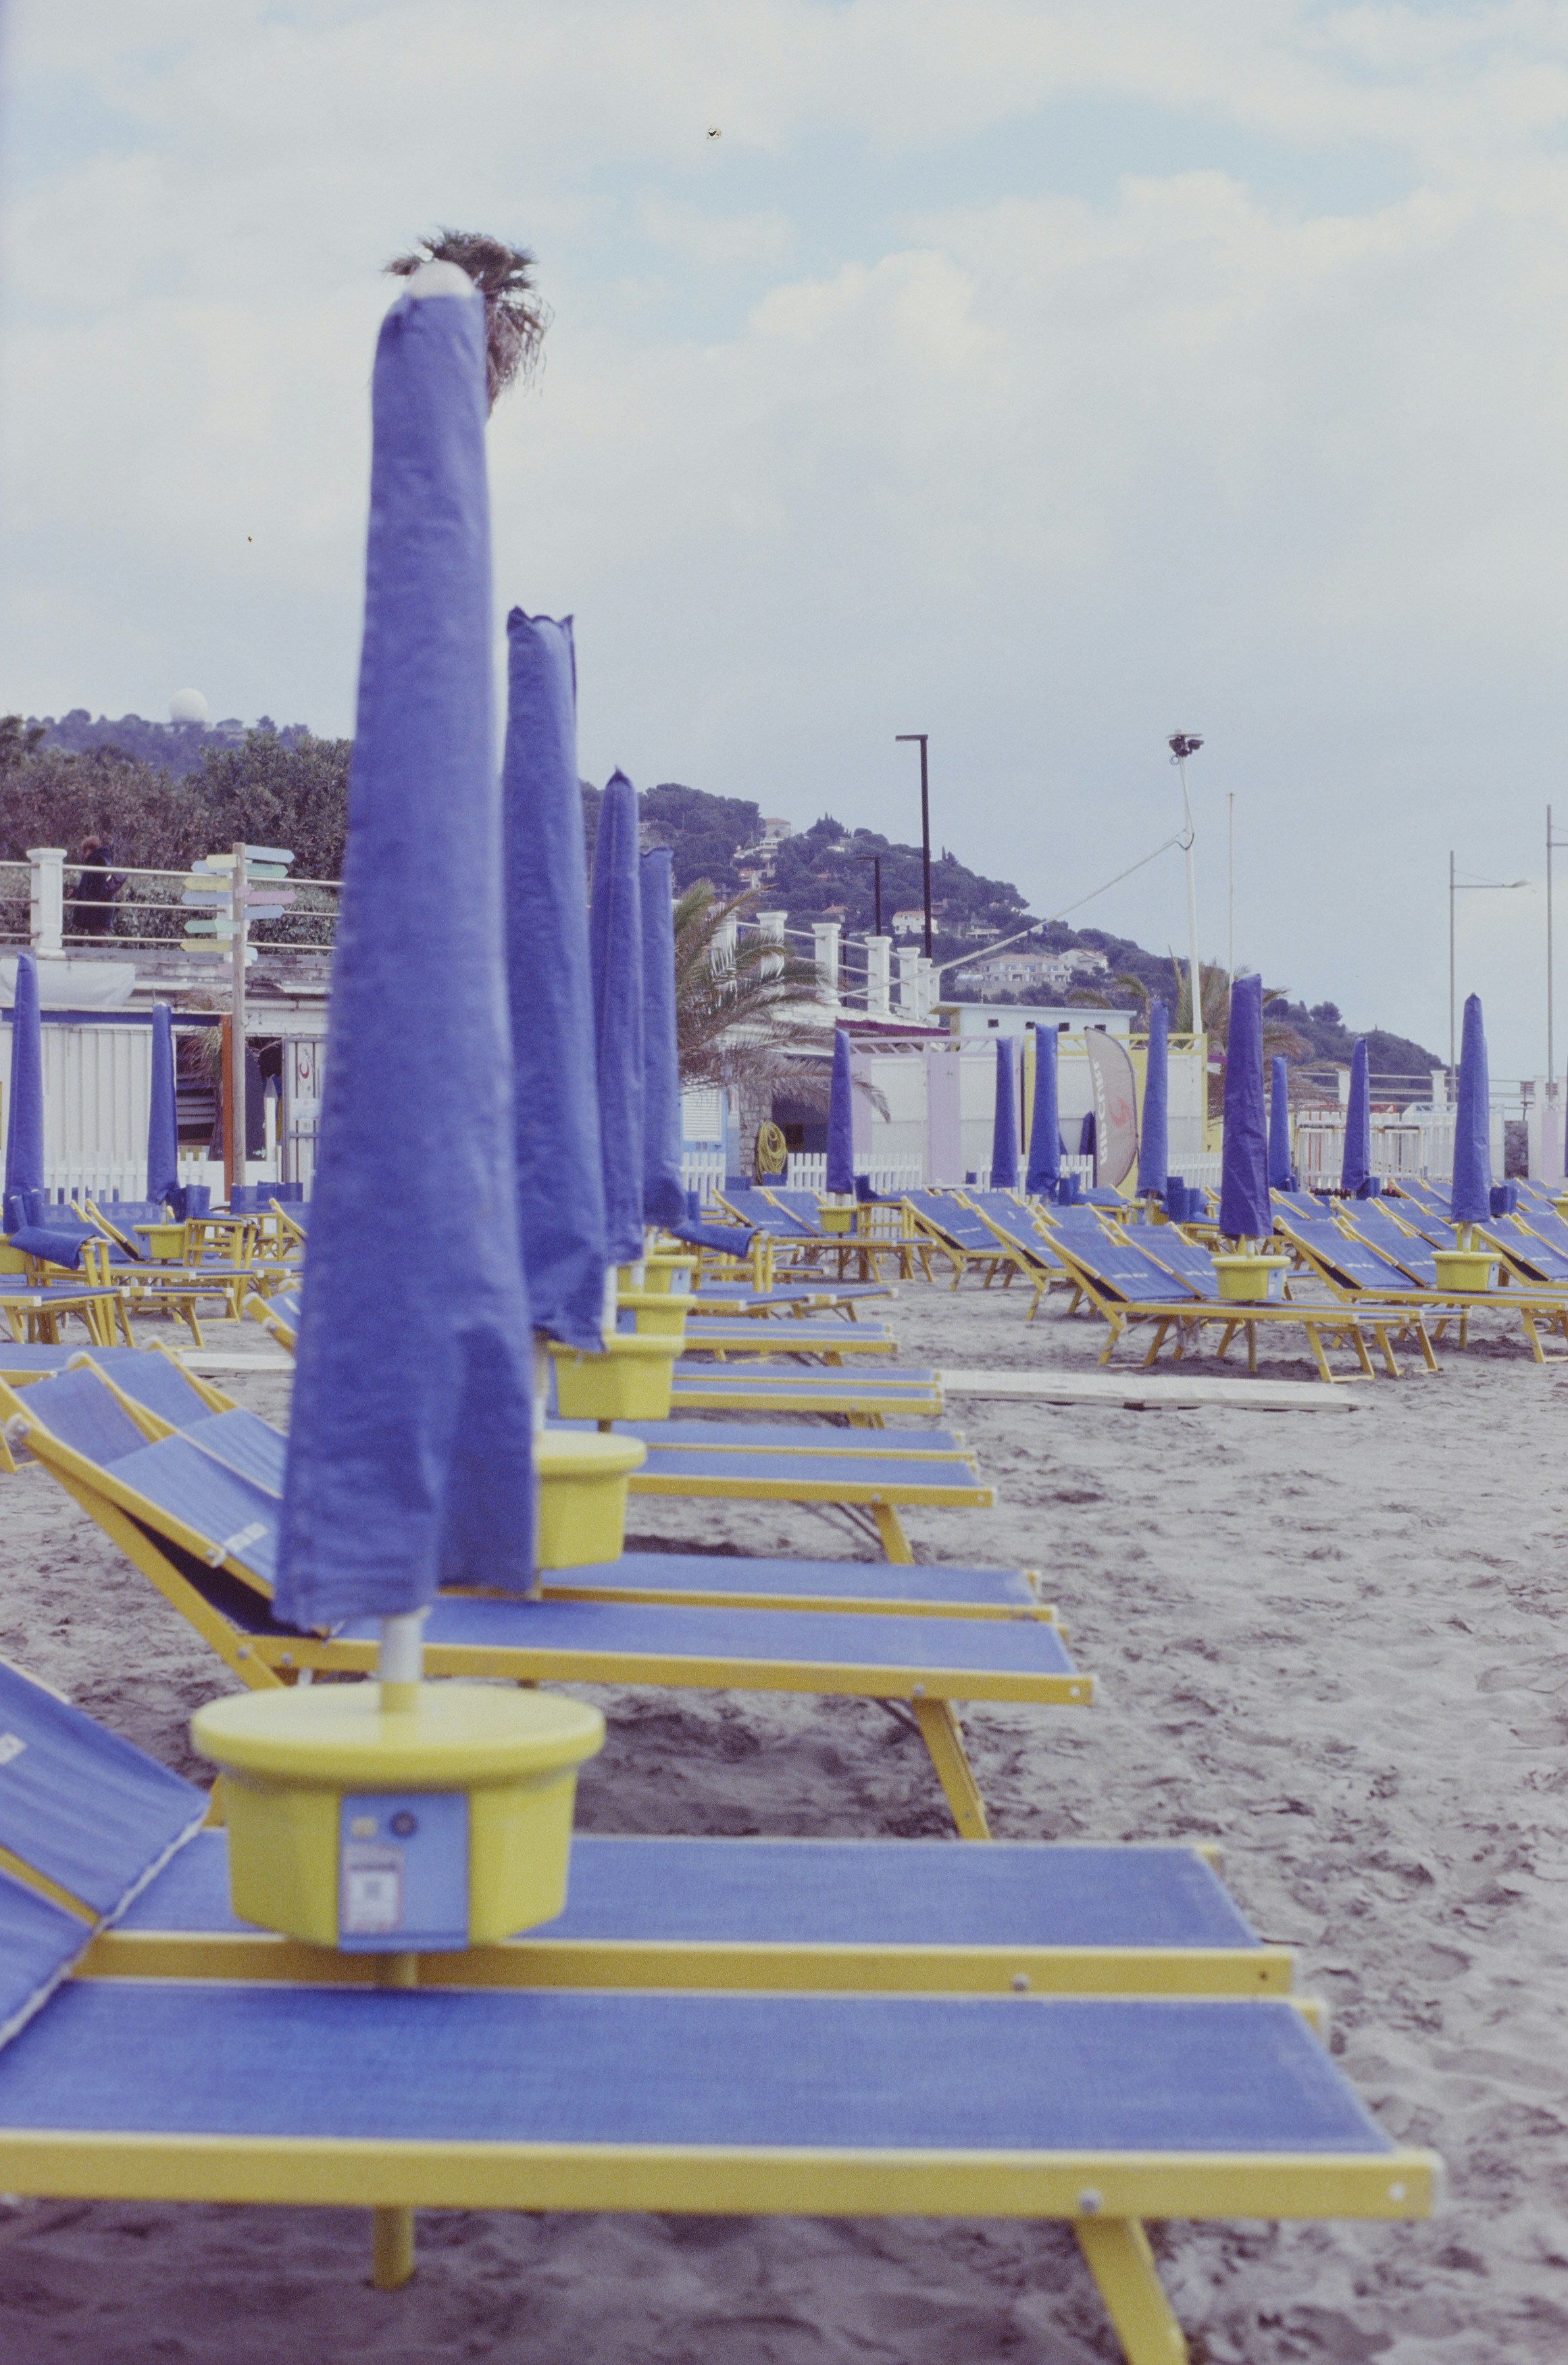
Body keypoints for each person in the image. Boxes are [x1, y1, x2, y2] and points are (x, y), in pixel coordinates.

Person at [66, 836, 124, 937]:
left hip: (98, 911)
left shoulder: (97, 861)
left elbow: (96, 888)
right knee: (98, 937)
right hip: (100, 910)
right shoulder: (100, 860)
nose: (83, 855)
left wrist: (87, 900)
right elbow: (91, 886)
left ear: (88, 850)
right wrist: (76, 892)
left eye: (84, 851)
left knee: (99, 939)